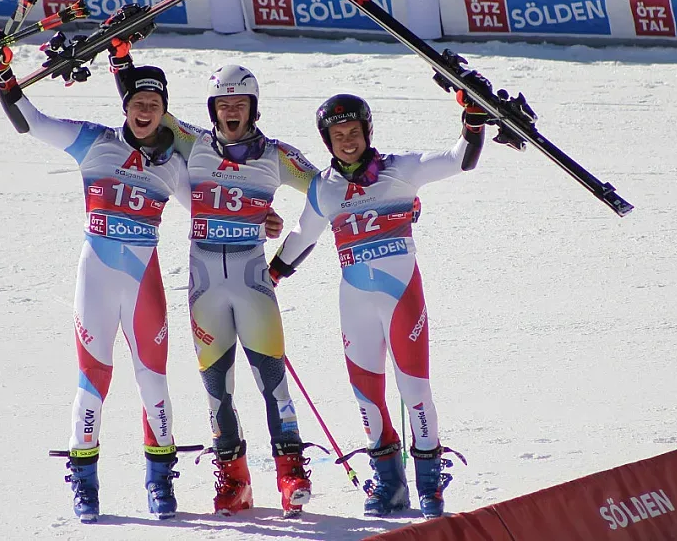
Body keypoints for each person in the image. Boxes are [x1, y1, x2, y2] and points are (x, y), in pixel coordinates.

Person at [107, 31, 322, 518]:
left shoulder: (277, 156)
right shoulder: (193, 144)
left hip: (252, 283)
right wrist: (122, 58)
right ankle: (235, 479)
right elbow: (146, 108)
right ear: (212, 109)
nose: (231, 110)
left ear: (253, 107)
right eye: (223, 103)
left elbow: (330, 188)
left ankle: (291, 474)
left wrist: (287, 251)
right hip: (204, 286)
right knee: (216, 388)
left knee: (273, 381)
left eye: (240, 103)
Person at [0, 31, 188, 523]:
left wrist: (261, 225)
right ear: (126, 106)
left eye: (154, 104)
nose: (145, 111)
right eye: (138, 102)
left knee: (153, 381)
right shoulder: (92, 142)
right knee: (91, 380)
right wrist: (3, 75)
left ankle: (159, 481)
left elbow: (214, 211)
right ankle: (85, 480)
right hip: (96, 280)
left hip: (145, 287)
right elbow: (31, 123)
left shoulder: (175, 167)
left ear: (164, 111)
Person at [267, 90, 488, 519]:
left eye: (353, 132)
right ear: (326, 140)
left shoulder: (400, 170)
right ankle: (389, 485)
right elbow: (301, 237)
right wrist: (270, 276)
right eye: (337, 135)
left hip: (402, 297)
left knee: (414, 390)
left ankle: (429, 485)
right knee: (367, 396)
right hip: (355, 303)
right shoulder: (324, 189)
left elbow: (461, 158)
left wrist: (473, 122)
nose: (347, 141)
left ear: (367, 132)